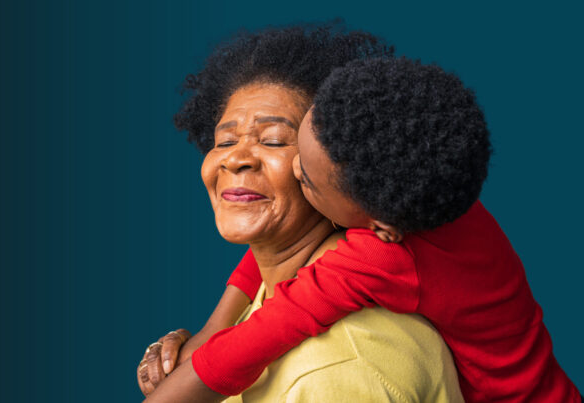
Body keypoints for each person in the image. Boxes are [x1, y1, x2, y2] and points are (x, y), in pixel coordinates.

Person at [154, 58, 583, 402]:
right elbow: (266, 257)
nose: (297, 168)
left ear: (380, 226)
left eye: (281, 147)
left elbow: (243, 351)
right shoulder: (423, 178)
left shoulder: (379, 263)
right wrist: (211, 330)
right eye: (225, 142)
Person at [139, 25, 464, 402]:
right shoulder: (279, 274)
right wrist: (202, 340)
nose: (236, 158)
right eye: (225, 141)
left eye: (274, 140)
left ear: (344, 168)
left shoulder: (340, 370)